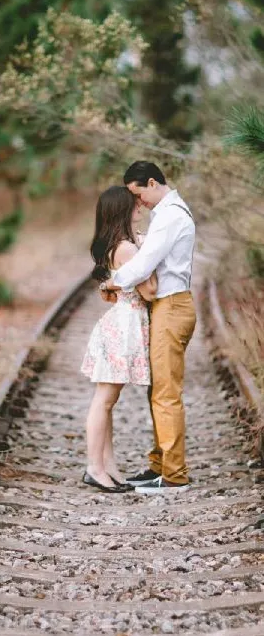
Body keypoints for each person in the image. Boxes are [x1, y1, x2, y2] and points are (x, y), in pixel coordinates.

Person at [104, 161, 196, 494]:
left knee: (166, 393)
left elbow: (144, 265)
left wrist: (113, 282)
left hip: (172, 307)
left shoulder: (171, 215)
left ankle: (174, 475)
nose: (137, 203)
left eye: (137, 193)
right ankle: (160, 464)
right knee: (156, 389)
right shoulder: (166, 214)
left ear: (152, 183)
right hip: (167, 308)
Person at [81, 186, 157, 493]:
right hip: (124, 325)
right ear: (122, 210)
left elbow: (110, 293)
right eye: (134, 203)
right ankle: (94, 467)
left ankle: (108, 466)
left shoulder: (120, 244)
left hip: (120, 321)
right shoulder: (126, 248)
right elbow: (149, 290)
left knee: (108, 401)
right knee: (104, 400)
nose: (139, 206)